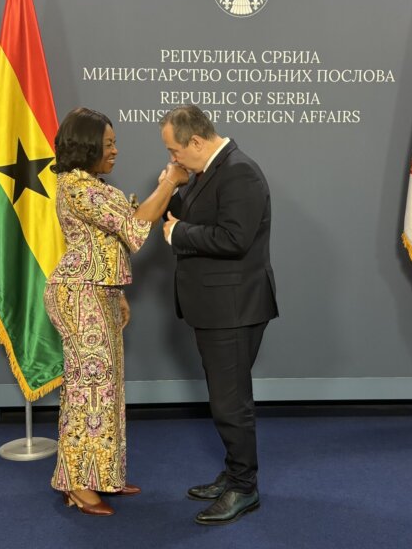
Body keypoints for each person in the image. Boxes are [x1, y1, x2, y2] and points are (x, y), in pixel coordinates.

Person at [44, 107, 188, 516]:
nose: (115, 151)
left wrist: (117, 290)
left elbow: (111, 242)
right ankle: (76, 483)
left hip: (98, 291)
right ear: (86, 146)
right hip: (80, 295)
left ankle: (102, 474)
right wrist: (171, 182)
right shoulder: (78, 187)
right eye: (108, 144)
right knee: (88, 390)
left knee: (105, 389)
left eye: (114, 143)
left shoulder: (91, 184)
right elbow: (135, 228)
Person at [159, 105, 279, 525]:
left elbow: (235, 239)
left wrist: (178, 233)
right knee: (225, 399)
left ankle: (244, 488)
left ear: (195, 141)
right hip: (217, 307)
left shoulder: (239, 172)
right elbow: (195, 215)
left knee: (231, 404)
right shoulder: (209, 171)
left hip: (234, 308)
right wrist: (172, 189)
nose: (172, 158)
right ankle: (233, 474)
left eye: (174, 150)